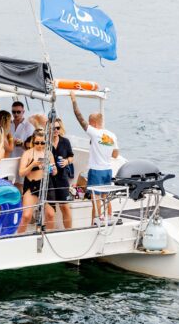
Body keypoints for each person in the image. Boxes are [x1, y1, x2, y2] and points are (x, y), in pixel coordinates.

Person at [69, 91, 119, 224]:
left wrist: (74, 100)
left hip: (96, 171)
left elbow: (79, 117)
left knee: (95, 199)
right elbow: (115, 154)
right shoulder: (112, 135)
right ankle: (108, 218)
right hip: (107, 170)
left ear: (92, 123)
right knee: (105, 197)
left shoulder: (94, 133)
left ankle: (93, 223)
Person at [17, 131, 57, 233]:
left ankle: (49, 236)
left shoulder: (48, 153)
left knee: (50, 214)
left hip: (45, 183)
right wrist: (33, 165)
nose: (40, 145)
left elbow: (55, 171)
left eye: (42, 143)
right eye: (37, 143)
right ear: (33, 142)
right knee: (26, 215)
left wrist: (51, 169)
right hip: (32, 184)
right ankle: (17, 237)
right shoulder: (27, 153)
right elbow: (21, 173)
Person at [49, 117, 74, 229]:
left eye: (58, 128)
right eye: (53, 128)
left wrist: (66, 161)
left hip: (62, 178)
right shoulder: (44, 142)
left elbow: (71, 156)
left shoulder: (65, 142)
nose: (56, 130)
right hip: (49, 179)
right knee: (50, 209)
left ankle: (69, 232)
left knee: (64, 207)